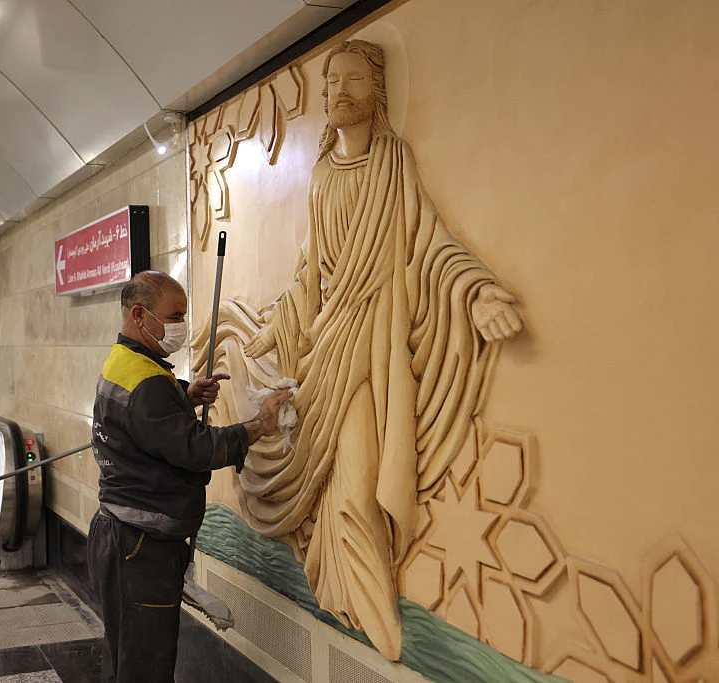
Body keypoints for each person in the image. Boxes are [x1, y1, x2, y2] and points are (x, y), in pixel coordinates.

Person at [200, 40, 524, 658]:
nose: (339, 93)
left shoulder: (394, 165)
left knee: (355, 485)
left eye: (353, 81)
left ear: (378, 90)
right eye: (331, 85)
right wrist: (272, 330)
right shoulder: (321, 175)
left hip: (373, 347)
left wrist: (477, 293)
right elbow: (309, 273)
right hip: (328, 346)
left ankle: (372, 617)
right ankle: (346, 597)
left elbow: (428, 241)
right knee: (330, 485)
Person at [88, 270, 291, 682]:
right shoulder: (145, 381)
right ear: (140, 315)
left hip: (120, 536)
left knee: (126, 654)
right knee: (145, 665)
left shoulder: (125, 363)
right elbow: (196, 450)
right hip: (140, 547)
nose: (181, 325)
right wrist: (259, 426)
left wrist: (182, 396)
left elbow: (142, 421)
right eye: (175, 315)